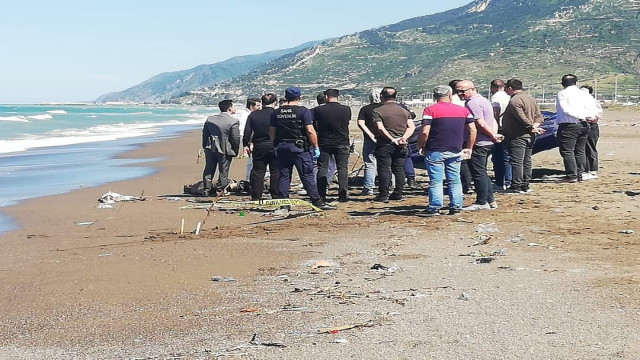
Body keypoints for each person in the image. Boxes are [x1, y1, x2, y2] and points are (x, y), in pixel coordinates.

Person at [269, 87, 335, 210]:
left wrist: (274, 145)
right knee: (307, 174)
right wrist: (315, 147)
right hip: (299, 147)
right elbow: (310, 130)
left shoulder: (276, 112)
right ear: (299, 97)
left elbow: (272, 131)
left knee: (284, 175)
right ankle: (316, 200)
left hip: (282, 146)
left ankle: (284, 202)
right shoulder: (303, 111)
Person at [417, 85, 476, 216]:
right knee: (454, 179)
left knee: (436, 180)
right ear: (450, 95)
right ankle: (456, 205)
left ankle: (435, 206)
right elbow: (472, 129)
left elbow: (425, 131)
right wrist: (469, 147)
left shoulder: (430, 110)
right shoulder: (463, 110)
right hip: (455, 149)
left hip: (435, 149)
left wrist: (420, 145)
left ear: (434, 96)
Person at [456, 80, 502, 210]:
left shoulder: (473, 103)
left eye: (462, 91)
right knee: (482, 171)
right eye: (457, 91)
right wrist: (493, 135)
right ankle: (490, 200)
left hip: (479, 142)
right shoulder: (482, 100)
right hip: (485, 141)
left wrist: (492, 135)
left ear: (472, 89)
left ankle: (482, 202)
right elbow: (492, 120)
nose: (460, 93)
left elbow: (480, 123)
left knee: (477, 172)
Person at [372, 86, 415, 203]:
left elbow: (380, 128)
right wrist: (403, 138)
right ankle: (398, 193)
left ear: (382, 96)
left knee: (384, 169)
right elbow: (412, 127)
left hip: (385, 144)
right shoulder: (404, 111)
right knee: (399, 168)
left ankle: (383, 194)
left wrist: (392, 139)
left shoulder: (377, 111)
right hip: (401, 144)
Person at [555, 74, 601, 182]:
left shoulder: (562, 93)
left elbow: (566, 109)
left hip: (569, 125)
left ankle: (572, 175)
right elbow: (593, 107)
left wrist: (581, 116)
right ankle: (580, 174)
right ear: (576, 82)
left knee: (567, 151)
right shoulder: (583, 94)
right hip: (584, 124)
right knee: (580, 150)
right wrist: (590, 117)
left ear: (563, 84)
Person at [502, 79, 545, 193]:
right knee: (526, 160)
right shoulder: (530, 98)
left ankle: (516, 185)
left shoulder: (515, 100)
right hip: (529, 135)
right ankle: (525, 184)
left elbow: (520, 117)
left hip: (518, 135)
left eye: (506, 88)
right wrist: (534, 127)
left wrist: (531, 126)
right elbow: (539, 116)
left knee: (517, 161)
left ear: (510, 88)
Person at [313, 89, 352, 202]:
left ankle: (321, 194)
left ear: (326, 97)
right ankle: (343, 193)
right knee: (342, 168)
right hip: (342, 142)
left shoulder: (318, 110)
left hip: (324, 142)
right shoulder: (346, 109)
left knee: (322, 168)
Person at [243, 93, 279, 200]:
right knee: (275, 171)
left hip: (259, 145)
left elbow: (247, 132)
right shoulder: (277, 114)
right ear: (275, 103)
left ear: (262, 103)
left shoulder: (253, 115)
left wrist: (245, 144)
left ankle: (256, 196)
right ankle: (275, 194)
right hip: (275, 144)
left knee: (258, 171)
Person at [202, 99, 240, 195]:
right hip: (225, 148)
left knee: (209, 168)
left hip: (210, 146)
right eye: (234, 106)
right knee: (223, 170)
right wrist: (235, 150)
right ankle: (220, 190)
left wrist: (204, 145)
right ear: (230, 108)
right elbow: (235, 138)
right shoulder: (233, 121)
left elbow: (205, 134)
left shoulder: (210, 119)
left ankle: (206, 189)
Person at [356, 88, 383, 195]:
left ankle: (368, 188)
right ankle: (389, 184)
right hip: (386, 139)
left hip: (369, 139)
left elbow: (360, 123)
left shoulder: (365, 109)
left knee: (370, 164)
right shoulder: (385, 108)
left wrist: (370, 134)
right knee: (387, 163)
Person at [449, 79, 473, 194]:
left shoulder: (452, 100)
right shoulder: (466, 100)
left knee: (459, 160)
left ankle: (465, 184)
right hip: (468, 132)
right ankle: (468, 183)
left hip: (455, 133)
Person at [489, 79, 512, 190]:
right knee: (508, 155)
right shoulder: (508, 96)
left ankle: (501, 181)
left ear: (492, 88)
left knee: (499, 156)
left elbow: (495, 113)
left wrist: (494, 129)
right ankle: (509, 179)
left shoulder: (495, 97)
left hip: (500, 128)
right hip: (509, 128)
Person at [580, 85, 603, 180]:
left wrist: (589, 118)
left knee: (590, 147)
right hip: (581, 126)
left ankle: (592, 170)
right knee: (581, 148)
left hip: (591, 126)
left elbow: (598, 114)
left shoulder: (593, 102)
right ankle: (584, 169)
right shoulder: (578, 103)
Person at [243, 98, 262, 181]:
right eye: (257, 105)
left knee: (252, 162)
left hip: (252, 141)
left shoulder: (253, 115)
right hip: (250, 142)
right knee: (251, 162)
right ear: (251, 106)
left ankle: (250, 180)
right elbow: (247, 131)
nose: (259, 108)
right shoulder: (247, 116)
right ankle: (249, 180)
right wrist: (249, 143)